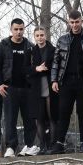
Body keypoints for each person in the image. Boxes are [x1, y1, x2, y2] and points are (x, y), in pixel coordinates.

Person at [48, 10, 83, 154]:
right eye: (71, 22)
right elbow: (55, 61)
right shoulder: (62, 39)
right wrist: (54, 79)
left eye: (77, 22)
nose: (74, 25)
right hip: (65, 81)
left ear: (81, 21)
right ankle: (59, 143)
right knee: (63, 112)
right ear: (68, 23)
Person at [0, 19, 35, 158]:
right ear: (11, 29)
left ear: (24, 29)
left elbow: (33, 67)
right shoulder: (3, 45)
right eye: (16, 29)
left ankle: (30, 146)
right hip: (9, 87)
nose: (19, 32)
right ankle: (11, 147)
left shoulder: (29, 46)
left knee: (29, 119)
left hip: (27, 88)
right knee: (10, 119)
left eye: (21, 29)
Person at [26, 27, 57, 156]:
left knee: (52, 117)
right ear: (34, 37)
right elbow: (25, 70)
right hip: (36, 88)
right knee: (39, 118)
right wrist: (36, 69)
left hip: (51, 86)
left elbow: (57, 65)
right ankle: (42, 146)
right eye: (37, 35)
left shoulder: (54, 50)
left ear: (46, 35)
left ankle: (53, 145)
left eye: (42, 35)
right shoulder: (31, 52)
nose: (40, 37)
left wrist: (46, 68)